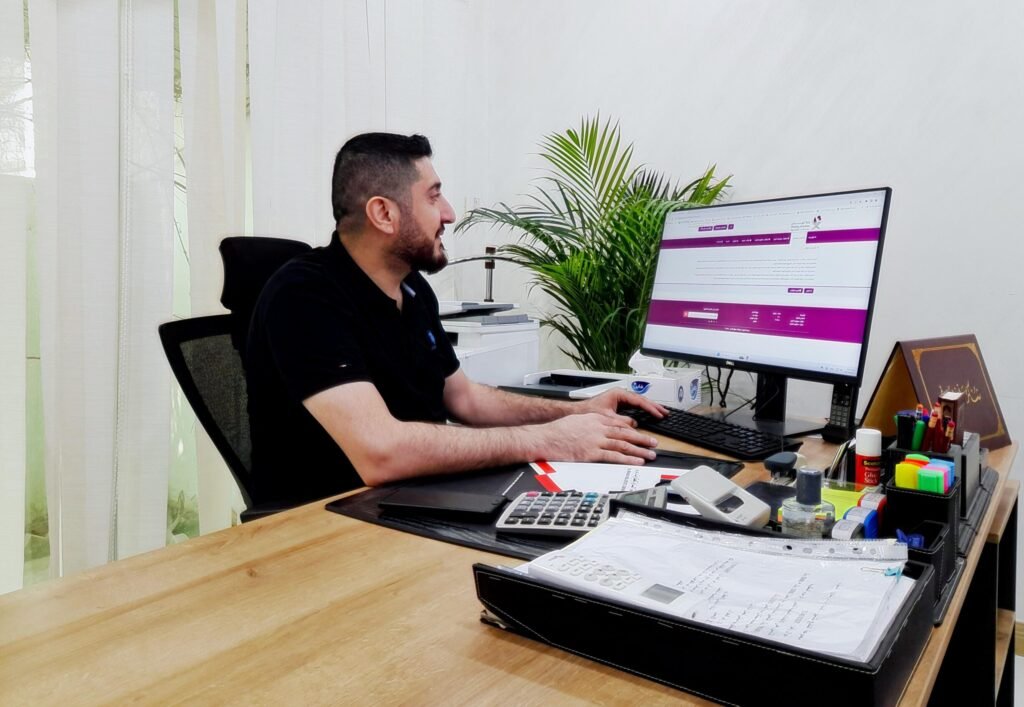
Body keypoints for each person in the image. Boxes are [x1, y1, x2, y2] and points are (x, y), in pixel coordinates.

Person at [245, 132, 666, 505]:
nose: (449, 213)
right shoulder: (303, 295)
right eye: (433, 196)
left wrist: (574, 413)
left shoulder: (412, 289)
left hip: (414, 500)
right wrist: (547, 440)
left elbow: (465, 399)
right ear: (384, 214)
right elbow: (380, 452)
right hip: (328, 526)